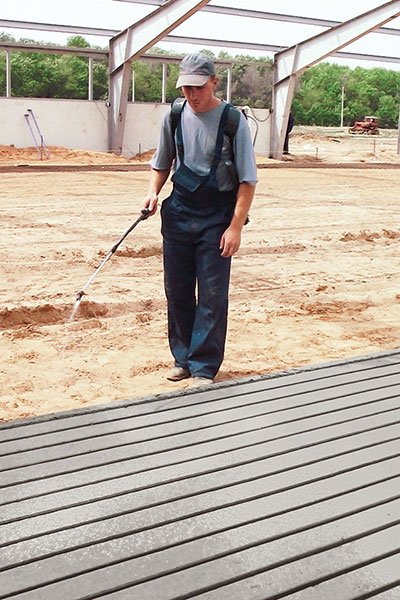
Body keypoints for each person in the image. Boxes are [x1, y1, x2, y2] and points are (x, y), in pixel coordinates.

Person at [142, 52, 257, 386]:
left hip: (217, 217)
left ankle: (204, 366)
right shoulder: (175, 115)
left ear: (213, 82)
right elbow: (162, 161)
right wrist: (153, 192)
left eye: (198, 87)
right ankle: (182, 359)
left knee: (211, 294)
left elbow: (248, 180)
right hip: (179, 212)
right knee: (176, 291)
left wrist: (235, 227)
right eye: (185, 88)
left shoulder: (233, 121)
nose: (191, 95)